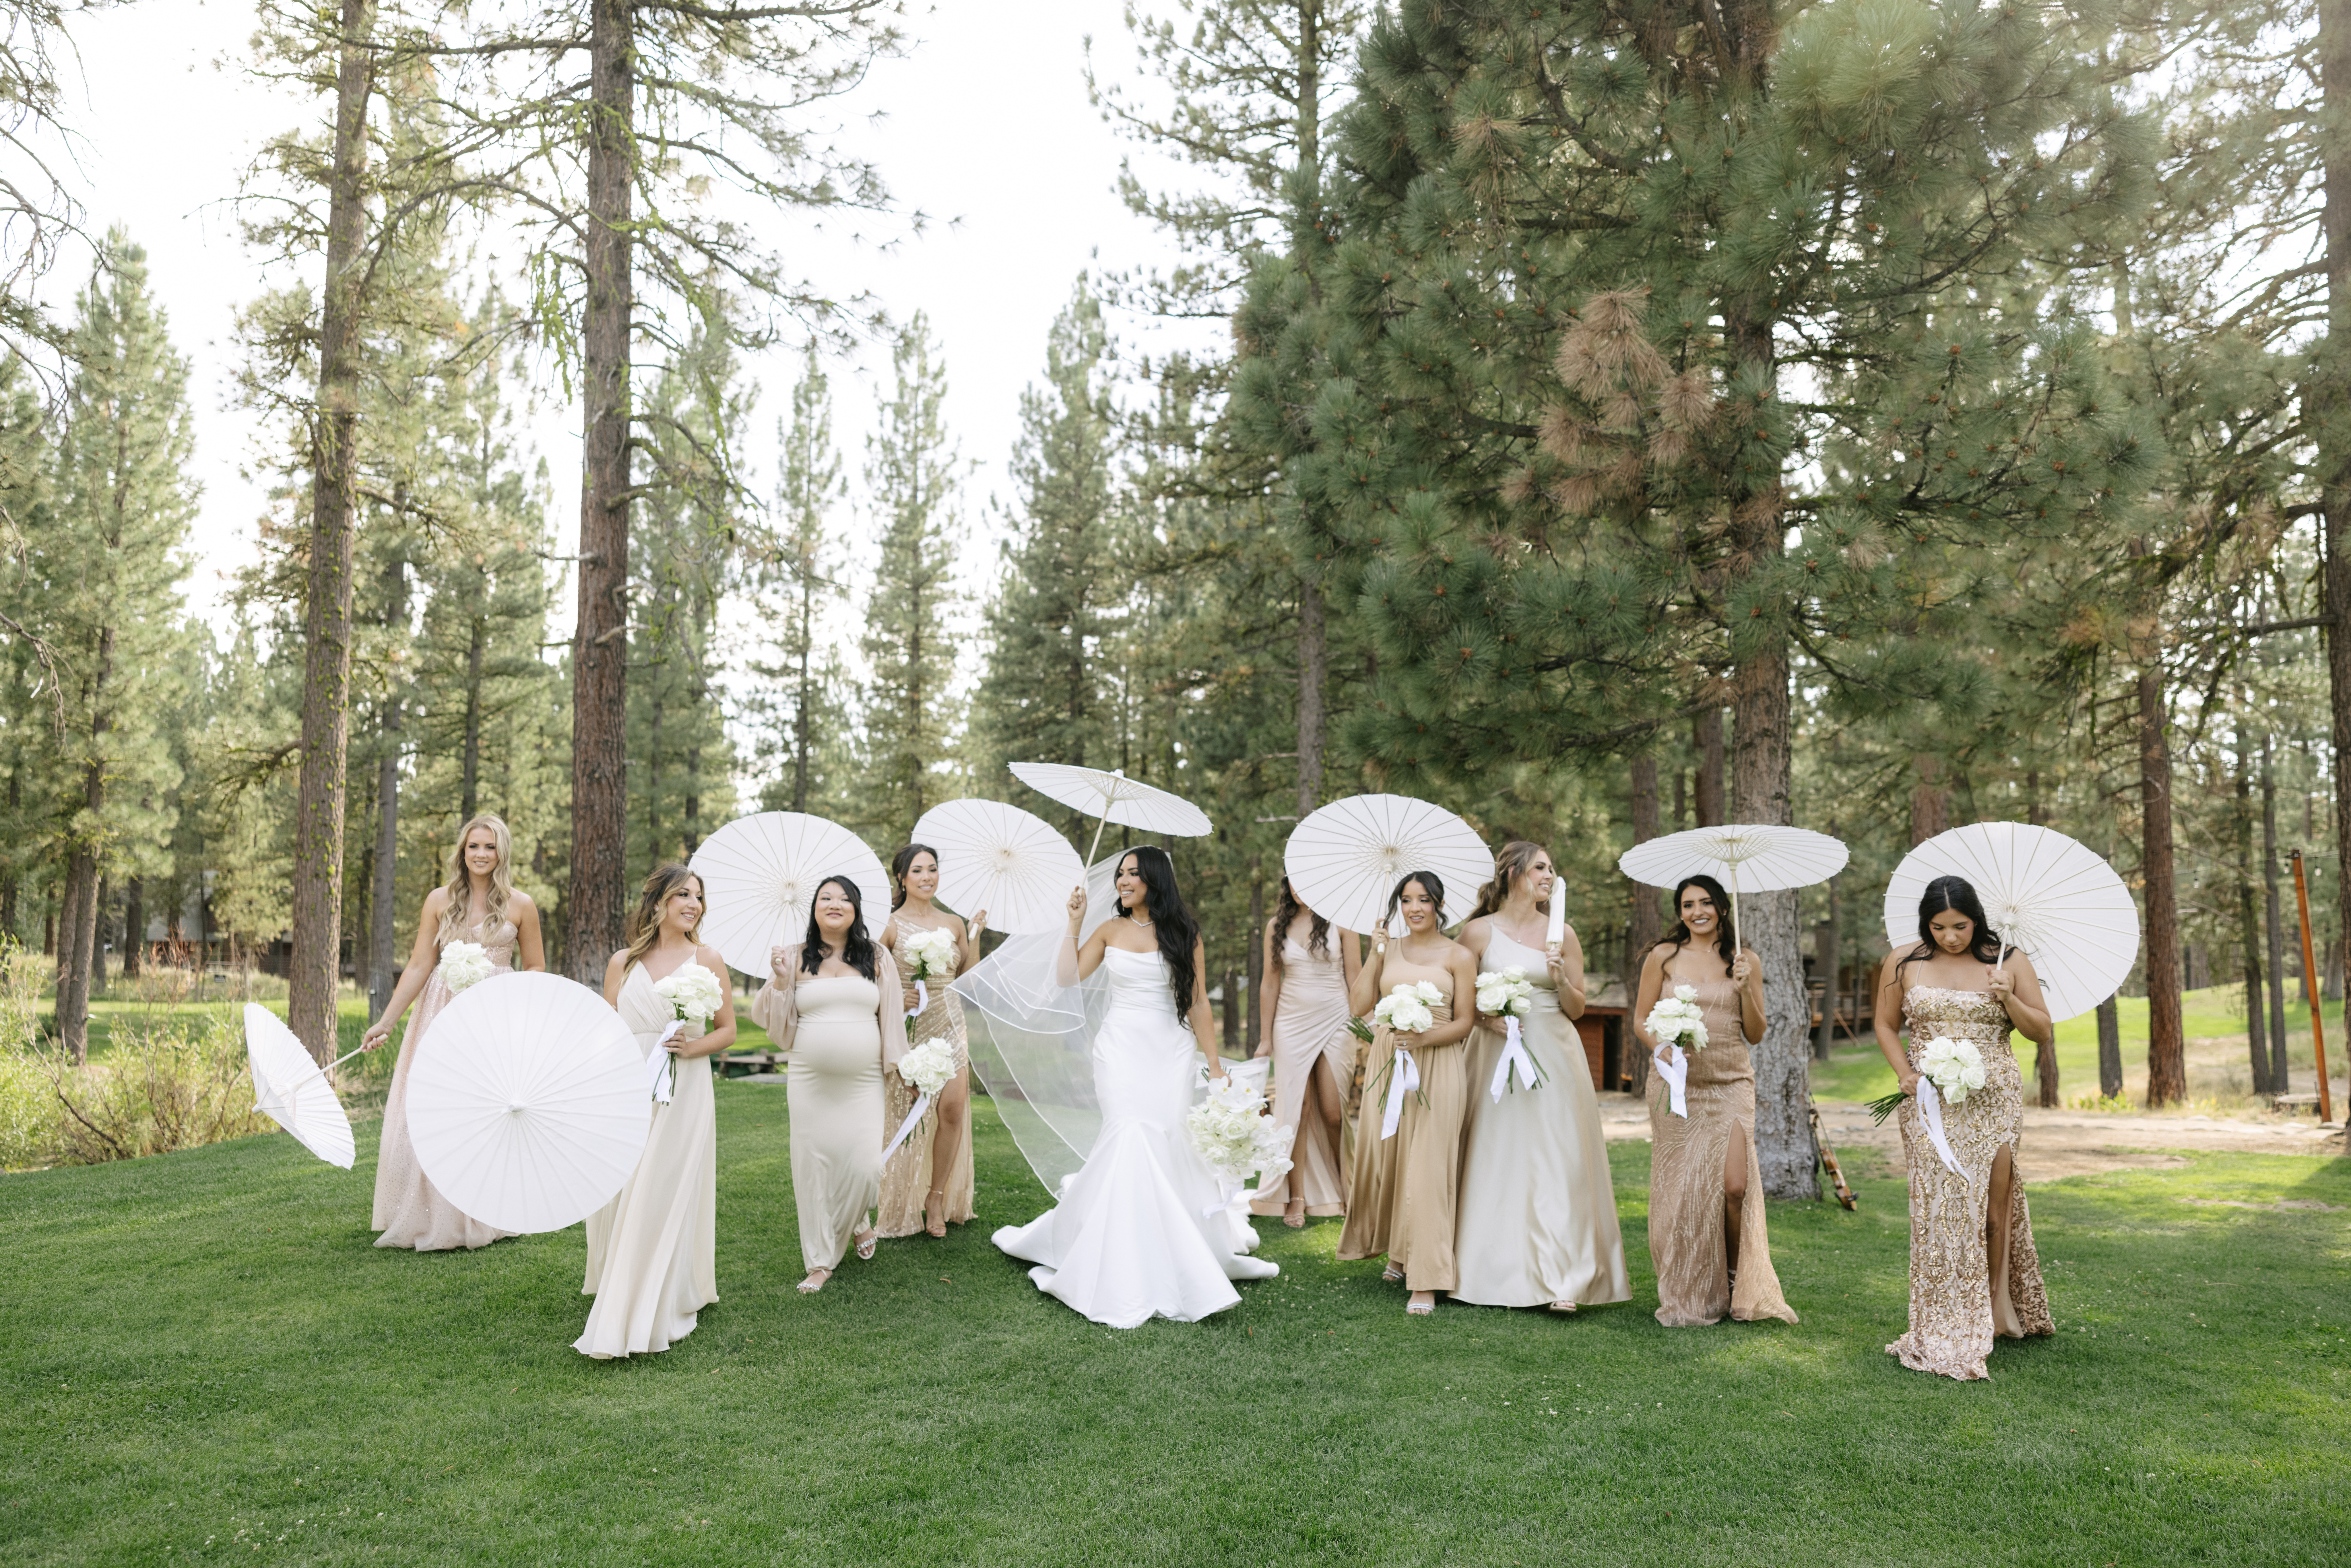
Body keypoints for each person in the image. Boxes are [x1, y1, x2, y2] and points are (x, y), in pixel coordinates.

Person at [991, 846, 1278, 1328]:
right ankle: (1115, 1254)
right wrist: (1074, 922)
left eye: (1132, 874)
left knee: (1165, 1139)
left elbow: (1196, 1004)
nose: (1122, 881)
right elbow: (1066, 977)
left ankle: (1170, 1247)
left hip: (1170, 1050)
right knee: (1128, 1133)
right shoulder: (1108, 929)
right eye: (1120, 874)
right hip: (1120, 1049)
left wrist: (1214, 1061)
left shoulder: (1184, 933)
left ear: (1154, 880)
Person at [1874, 875, 2056, 1379]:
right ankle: (1941, 1318)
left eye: (1960, 926)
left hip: (1992, 1098)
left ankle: (1993, 1313)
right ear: (1924, 923)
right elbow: (1885, 1024)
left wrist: (2009, 999)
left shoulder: (2008, 959)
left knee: (1993, 1212)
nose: (1950, 936)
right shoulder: (1903, 960)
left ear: (1976, 919)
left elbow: (2041, 1029)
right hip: (1929, 1101)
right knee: (1939, 1210)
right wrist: (1905, 1074)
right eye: (1939, 926)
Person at [1452, 842, 1630, 1313]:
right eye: (1540, 867)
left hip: (1553, 1049)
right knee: (1496, 1154)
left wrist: (1561, 978)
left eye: (1552, 868)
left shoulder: (1562, 933)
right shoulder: (1475, 933)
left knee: (1557, 1156)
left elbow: (1577, 1008)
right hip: (1493, 1053)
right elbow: (1459, 1002)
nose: (1550, 875)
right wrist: (1488, 1018)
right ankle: (1483, 1267)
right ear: (1513, 873)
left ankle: (1563, 1278)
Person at [360, 813, 545, 1251]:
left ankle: (488, 1211)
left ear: (502, 853)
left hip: (496, 1015)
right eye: (473, 847)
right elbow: (423, 964)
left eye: (490, 847)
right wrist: (386, 1021)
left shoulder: (522, 904)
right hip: (442, 1011)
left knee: (487, 1109)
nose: (481, 855)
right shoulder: (439, 900)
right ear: (462, 853)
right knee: (437, 1106)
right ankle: (433, 1214)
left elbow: (536, 966)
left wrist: (518, 1007)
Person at [577, 863, 734, 1358]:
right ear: (659, 901)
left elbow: (728, 1029)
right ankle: (621, 1275)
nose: (693, 903)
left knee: (662, 1181)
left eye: (699, 897)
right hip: (629, 1082)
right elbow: (606, 1027)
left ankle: (659, 1289)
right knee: (627, 1182)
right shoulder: (622, 961)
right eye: (683, 894)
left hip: (684, 1084)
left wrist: (693, 1047)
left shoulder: (708, 957)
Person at [1631, 874, 1796, 1327]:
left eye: (1706, 903)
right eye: (1688, 905)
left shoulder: (1746, 961)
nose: (1697, 912)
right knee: (1683, 1191)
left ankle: (1738, 1281)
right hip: (1676, 1085)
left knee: (1735, 1187)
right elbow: (1642, 1020)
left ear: (1722, 907)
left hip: (1730, 1083)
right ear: (1679, 912)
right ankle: (1691, 1285)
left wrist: (1745, 990)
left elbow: (1757, 1033)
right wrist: (1662, 1049)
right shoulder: (1663, 958)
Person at [750, 876, 907, 1294]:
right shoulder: (794, 956)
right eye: (826, 898)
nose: (834, 904)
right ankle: (821, 1261)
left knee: (865, 1168)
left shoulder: (876, 957)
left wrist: (900, 1068)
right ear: (814, 909)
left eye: (844, 898)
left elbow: (891, 1015)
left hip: (863, 1081)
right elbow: (774, 1025)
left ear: (856, 909)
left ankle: (857, 1219)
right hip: (809, 1080)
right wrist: (782, 981)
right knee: (814, 1167)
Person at [1336, 870, 1479, 1316]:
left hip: (1437, 1063)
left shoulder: (1459, 955)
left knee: (1430, 1167)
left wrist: (1424, 1040)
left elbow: (1465, 1021)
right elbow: (1359, 1005)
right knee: (1393, 1159)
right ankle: (1399, 1252)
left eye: (1424, 900)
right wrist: (1376, 952)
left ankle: (1428, 1279)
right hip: (1388, 1062)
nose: (1415, 908)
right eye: (1407, 900)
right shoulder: (1388, 948)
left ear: (1439, 905)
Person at [877, 843, 984, 1239]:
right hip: (910, 1026)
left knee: (953, 1110)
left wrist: (975, 936)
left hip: (951, 1022)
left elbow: (967, 978)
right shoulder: (888, 924)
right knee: (909, 1116)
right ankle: (901, 1200)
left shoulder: (953, 923)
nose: (927, 877)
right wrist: (895, 998)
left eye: (933, 869)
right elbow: (872, 976)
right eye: (918, 870)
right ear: (903, 878)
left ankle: (936, 1197)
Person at [1249, 878, 1360, 1225]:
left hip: (1336, 1020)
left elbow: (1355, 978)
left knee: (1332, 1112)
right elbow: (1270, 982)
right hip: (1291, 1024)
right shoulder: (1276, 925)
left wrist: (1369, 1021)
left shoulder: (1344, 922)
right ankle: (1296, 1197)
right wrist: (1265, 1038)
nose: (1300, 886)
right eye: (1293, 879)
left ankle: (1349, 1188)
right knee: (1296, 1109)